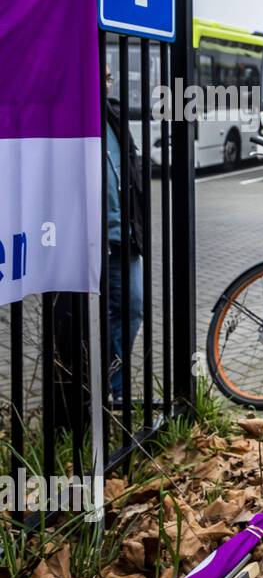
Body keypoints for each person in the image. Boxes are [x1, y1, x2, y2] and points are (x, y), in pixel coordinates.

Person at [104, 70, 146, 405]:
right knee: (92, 314)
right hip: (88, 238)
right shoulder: (68, 120)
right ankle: (98, 386)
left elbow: (132, 173)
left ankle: (113, 383)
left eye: (109, 77)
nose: (107, 82)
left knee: (133, 307)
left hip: (123, 235)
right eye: (101, 76)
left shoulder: (115, 116)